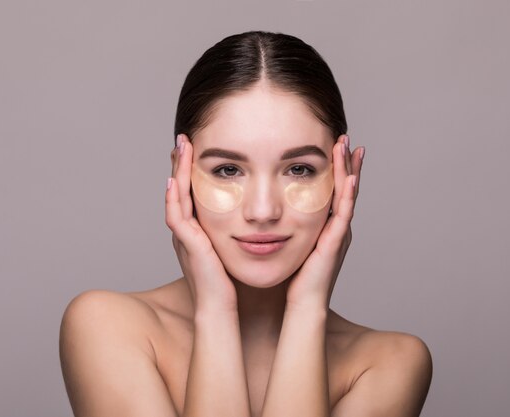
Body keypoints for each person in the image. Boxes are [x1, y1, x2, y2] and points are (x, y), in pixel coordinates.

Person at [59, 31, 432, 417]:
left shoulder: (390, 363)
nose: (263, 210)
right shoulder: (107, 327)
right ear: (181, 174)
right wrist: (215, 311)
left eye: (299, 169)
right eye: (228, 170)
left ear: (343, 177)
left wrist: (306, 310)